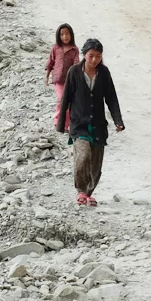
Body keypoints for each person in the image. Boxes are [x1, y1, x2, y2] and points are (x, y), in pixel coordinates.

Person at [56, 38, 125, 206]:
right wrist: (61, 123)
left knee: (95, 164)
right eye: (91, 56)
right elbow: (65, 99)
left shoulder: (104, 73)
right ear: (84, 55)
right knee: (83, 155)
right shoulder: (74, 72)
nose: (94, 60)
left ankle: (88, 193)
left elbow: (111, 98)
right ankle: (80, 190)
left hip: (98, 126)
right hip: (79, 124)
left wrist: (118, 120)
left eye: (98, 56)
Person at [45, 23, 79, 121]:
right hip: (58, 79)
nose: (65, 36)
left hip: (69, 80)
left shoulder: (74, 49)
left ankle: (65, 124)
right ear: (58, 36)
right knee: (61, 99)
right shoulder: (56, 48)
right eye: (62, 34)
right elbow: (50, 62)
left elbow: (76, 65)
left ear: (71, 35)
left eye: (67, 34)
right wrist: (47, 77)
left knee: (68, 101)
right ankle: (57, 121)